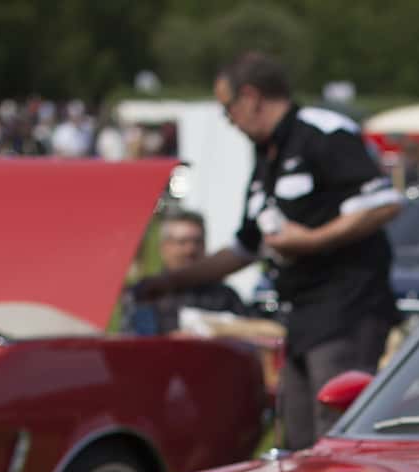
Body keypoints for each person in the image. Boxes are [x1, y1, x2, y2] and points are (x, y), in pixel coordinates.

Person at [134, 52, 402, 451]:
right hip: (301, 316)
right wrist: (170, 281)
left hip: (348, 311)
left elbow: (383, 203)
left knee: (335, 437)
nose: (228, 120)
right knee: (294, 438)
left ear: (251, 97)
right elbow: (246, 246)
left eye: (228, 108)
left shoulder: (322, 132)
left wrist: (312, 241)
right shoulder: (265, 155)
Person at [124, 211, 245, 335]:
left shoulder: (225, 296)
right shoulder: (147, 293)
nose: (190, 250)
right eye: (182, 242)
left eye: (197, 242)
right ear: (164, 247)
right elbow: (135, 340)